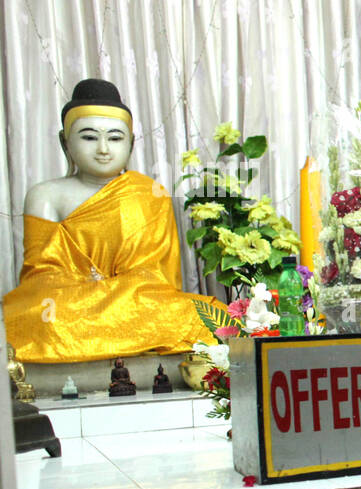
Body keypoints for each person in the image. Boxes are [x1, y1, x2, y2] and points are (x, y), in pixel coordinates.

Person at [3, 79, 218, 363]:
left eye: (115, 138)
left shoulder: (149, 193)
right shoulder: (46, 195)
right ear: (64, 141)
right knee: (42, 315)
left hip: (135, 301)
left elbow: (155, 277)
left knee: (203, 315)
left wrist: (108, 291)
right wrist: (88, 288)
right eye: (89, 137)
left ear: (131, 142)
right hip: (68, 302)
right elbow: (41, 274)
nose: (103, 149)